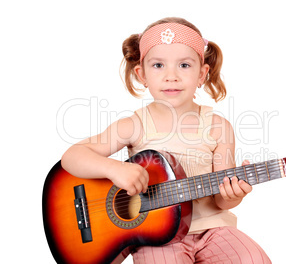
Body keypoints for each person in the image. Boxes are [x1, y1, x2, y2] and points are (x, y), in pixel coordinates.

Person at [61, 17, 271, 264]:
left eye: (184, 65)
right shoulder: (134, 125)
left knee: (253, 259)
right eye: (158, 65)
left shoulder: (218, 127)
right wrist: (114, 168)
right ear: (142, 74)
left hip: (212, 230)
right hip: (156, 236)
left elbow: (222, 200)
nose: (171, 76)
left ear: (202, 74)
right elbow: (72, 157)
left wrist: (233, 195)